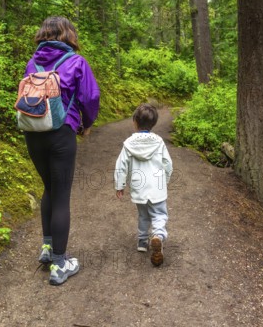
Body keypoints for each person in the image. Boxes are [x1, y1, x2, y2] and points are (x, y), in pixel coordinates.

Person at [23, 16, 100, 285]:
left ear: (43, 34)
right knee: (61, 196)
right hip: (61, 134)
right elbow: (90, 97)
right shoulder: (76, 62)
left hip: (33, 133)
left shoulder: (33, 63)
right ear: (68, 35)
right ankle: (60, 264)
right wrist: (86, 124)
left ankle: (47, 248)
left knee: (49, 188)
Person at [114, 103, 173, 266]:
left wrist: (120, 185)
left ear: (135, 122)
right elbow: (168, 163)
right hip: (157, 188)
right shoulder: (159, 142)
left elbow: (121, 165)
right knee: (160, 214)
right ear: (153, 124)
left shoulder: (128, 144)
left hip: (139, 188)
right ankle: (158, 236)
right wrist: (165, 180)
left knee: (143, 215)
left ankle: (142, 242)